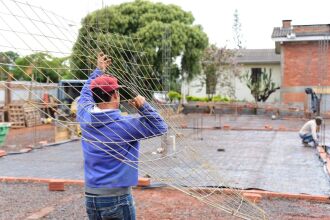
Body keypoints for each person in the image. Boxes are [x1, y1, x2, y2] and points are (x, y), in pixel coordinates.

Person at [77, 53, 168, 220]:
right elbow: (161, 127)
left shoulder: (84, 117)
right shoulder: (125, 125)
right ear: (116, 95)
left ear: (94, 96)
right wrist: (144, 107)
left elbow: (84, 94)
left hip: (91, 198)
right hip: (117, 199)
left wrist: (98, 72)